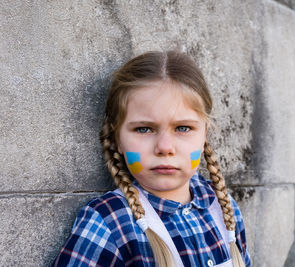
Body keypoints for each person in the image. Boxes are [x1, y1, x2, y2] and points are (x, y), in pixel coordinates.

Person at [53, 50, 252, 267]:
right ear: (117, 138)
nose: (164, 148)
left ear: (205, 133)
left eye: (183, 128)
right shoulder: (109, 223)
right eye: (144, 129)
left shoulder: (224, 208)